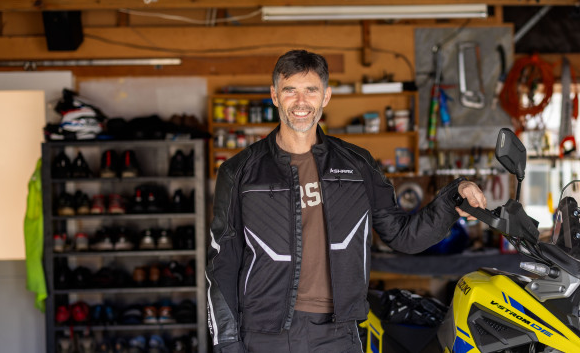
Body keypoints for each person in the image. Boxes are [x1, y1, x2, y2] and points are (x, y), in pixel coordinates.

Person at [206, 49, 488, 353]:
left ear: (326, 96)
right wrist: (227, 343)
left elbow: (402, 235)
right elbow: (223, 263)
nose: (301, 102)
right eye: (290, 90)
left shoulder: (358, 165)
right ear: (275, 95)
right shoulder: (239, 171)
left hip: (338, 333)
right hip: (264, 334)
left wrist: (452, 198)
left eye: (310, 90)